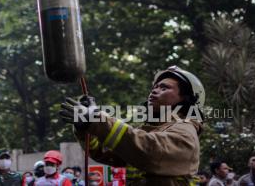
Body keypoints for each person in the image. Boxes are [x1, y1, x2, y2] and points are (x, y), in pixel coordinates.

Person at [60, 65, 205, 185]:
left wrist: (96, 119)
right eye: (154, 87)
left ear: (186, 99)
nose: (154, 90)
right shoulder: (152, 129)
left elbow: (149, 151)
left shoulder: (185, 130)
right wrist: (84, 127)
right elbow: (106, 151)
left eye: (164, 88)